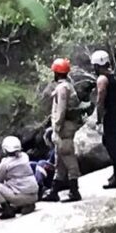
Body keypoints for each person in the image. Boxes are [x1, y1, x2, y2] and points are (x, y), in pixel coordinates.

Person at [42, 58, 82, 202]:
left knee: (68, 156)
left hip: (64, 128)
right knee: (59, 161)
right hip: (66, 126)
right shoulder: (68, 86)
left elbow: (61, 109)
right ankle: (54, 191)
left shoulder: (62, 88)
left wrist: (57, 127)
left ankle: (74, 191)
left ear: (56, 73)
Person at [91, 50, 116, 188]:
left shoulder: (102, 79)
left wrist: (99, 117)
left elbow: (101, 99)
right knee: (113, 143)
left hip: (111, 115)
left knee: (112, 145)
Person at [0, 136, 38, 218]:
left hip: (20, 197)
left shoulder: (5, 163)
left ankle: (7, 209)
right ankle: (27, 205)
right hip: (34, 196)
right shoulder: (25, 156)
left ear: (5, 149)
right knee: (14, 185)